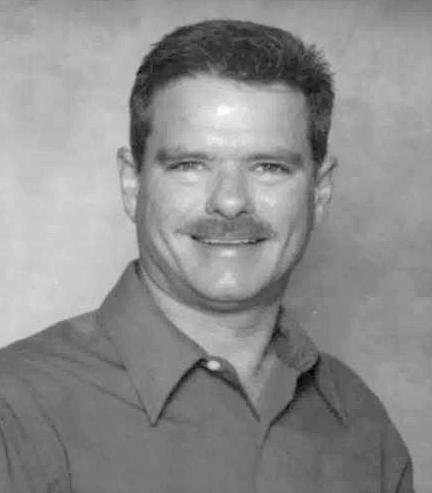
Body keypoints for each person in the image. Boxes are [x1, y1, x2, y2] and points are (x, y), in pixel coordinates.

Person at [0, 19, 414, 493]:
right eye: (190, 165)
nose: (231, 202)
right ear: (132, 184)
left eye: (269, 167)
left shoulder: (361, 425)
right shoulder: (16, 412)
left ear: (319, 192)